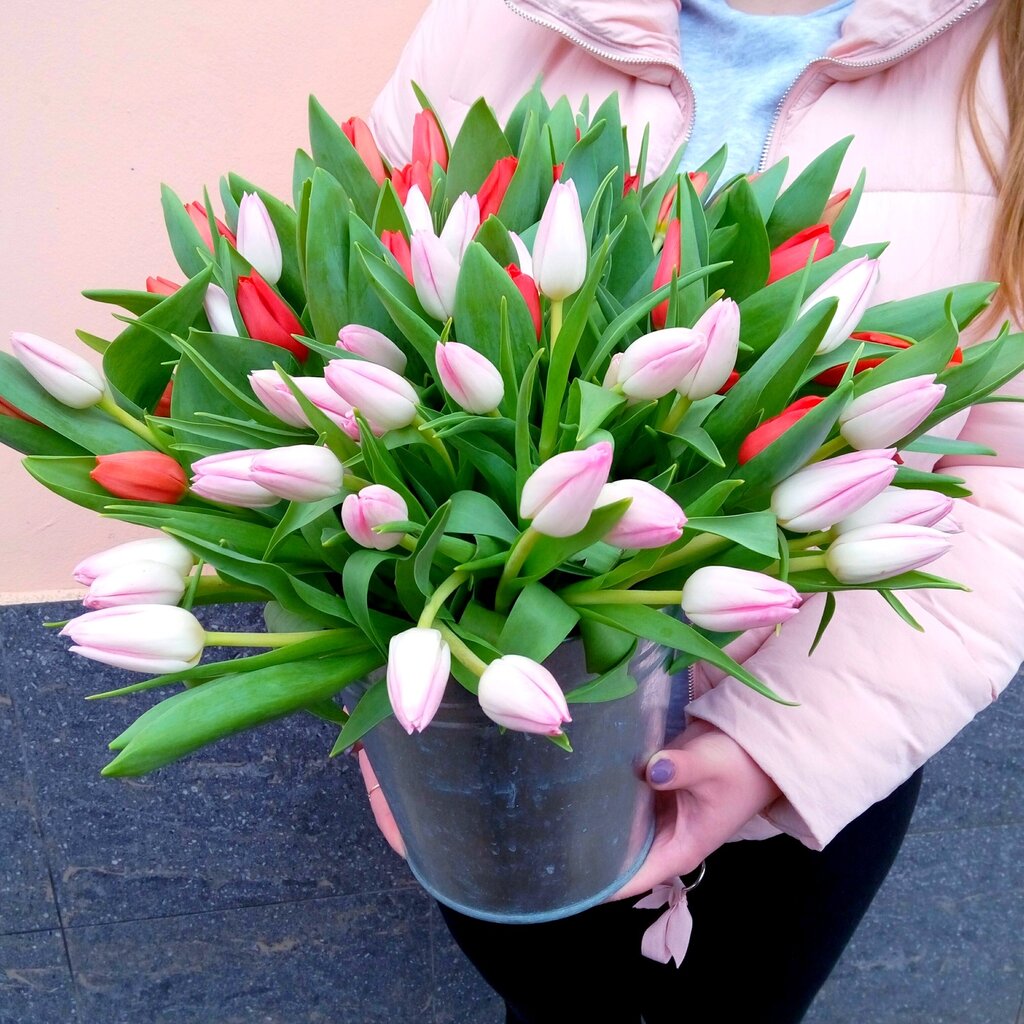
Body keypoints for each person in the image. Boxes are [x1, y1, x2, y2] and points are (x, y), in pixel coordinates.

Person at [359, 1, 1024, 1020]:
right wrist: (383, 709)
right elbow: (351, 329)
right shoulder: (501, 13)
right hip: (488, 747)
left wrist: (773, 752)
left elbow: (1007, 483)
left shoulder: (997, 57)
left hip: (809, 759)